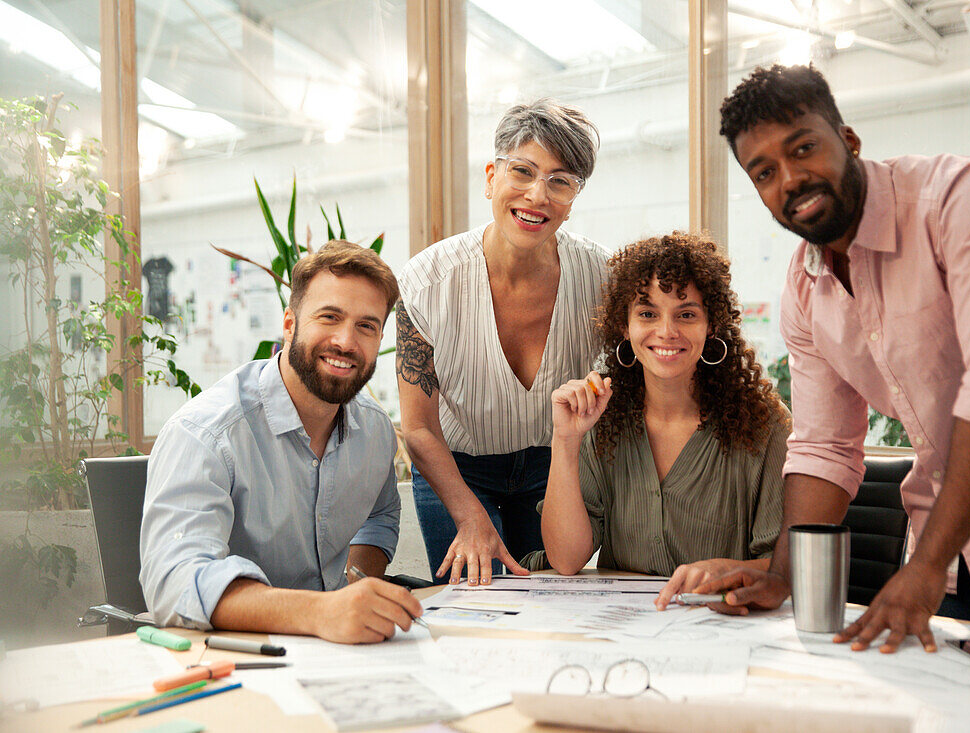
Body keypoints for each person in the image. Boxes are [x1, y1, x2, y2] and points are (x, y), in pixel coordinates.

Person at [692, 64, 970, 650]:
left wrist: (926, 567)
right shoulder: (806, 287)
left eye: (803, 148)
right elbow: (823, 446)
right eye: (764, 172)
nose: (790, 179)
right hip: (945, 549)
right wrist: (783, 574)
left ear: (849, 140)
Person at [140, 240, 423, 644]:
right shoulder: (207, 433)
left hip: (339, 653)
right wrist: (321, 612)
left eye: (366, 326)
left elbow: (379, 517)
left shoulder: (375, 430)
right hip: (234, 658)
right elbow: (176, 581)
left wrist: (355, 588)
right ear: (289, 324)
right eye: (329, 317)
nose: (346, 341)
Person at [396, 99, 606, 587]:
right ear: (491, 176)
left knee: (554, 607)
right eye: (523, 171)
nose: (538, 195)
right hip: (456, 468)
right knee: (476, 610)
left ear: (573, 197)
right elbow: (419, 428)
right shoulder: (427, 281)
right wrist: (471, 518)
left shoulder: (603, 278)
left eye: (560, 181)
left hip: (553, 467)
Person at [527, 233, 788, 596]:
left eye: (686, 314)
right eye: (648, 314)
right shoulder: (602, 418)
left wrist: (727, 570)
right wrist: (566, 440)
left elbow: (785, 567)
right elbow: (567, 560)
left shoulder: (763, 423)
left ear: (711, 324)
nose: (666, 332)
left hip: (721, 624)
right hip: (623, 630)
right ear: (625, 325)